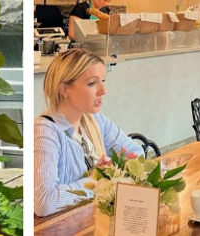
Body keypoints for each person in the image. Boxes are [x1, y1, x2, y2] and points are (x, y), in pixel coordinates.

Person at [34, 48, 142, 216]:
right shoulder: (45, 131)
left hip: (95, 218)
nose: (103, 90)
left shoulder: (95, 118)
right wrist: (97, 180)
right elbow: (44, 203)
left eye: (103, 81)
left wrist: (116, 167)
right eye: (92, 83)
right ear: (64, 89)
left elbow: (136, 151)